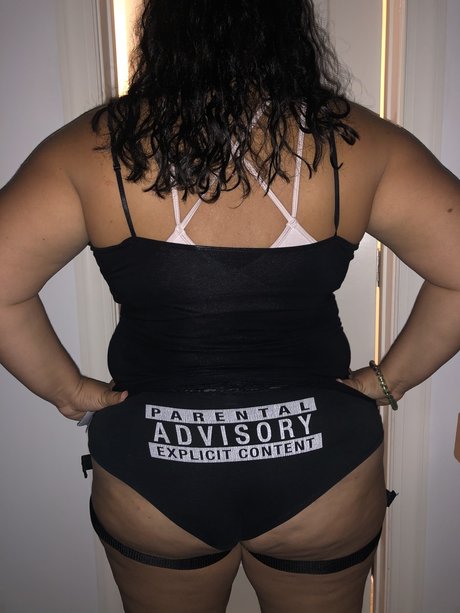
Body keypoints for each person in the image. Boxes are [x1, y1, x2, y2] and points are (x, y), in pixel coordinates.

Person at [0, 1, 459, 611]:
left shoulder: (95, 146)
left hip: (156, 466)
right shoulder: (355, 139)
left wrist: (69, 392)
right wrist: (386, 382)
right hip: (320, 464)